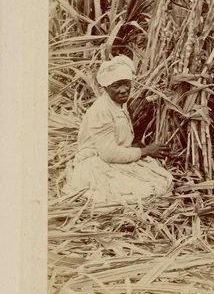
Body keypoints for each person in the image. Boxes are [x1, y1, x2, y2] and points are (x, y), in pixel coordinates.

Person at [63, 56, 172, 204]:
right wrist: (145, 151)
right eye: (116, 86)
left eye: (126, 84)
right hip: (97, 162)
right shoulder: (101, 110)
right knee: (143, 192)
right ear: (105, 87)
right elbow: (109, 154)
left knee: (163, 180)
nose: (123, 90)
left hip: (112, 158)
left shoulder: (119, 103)